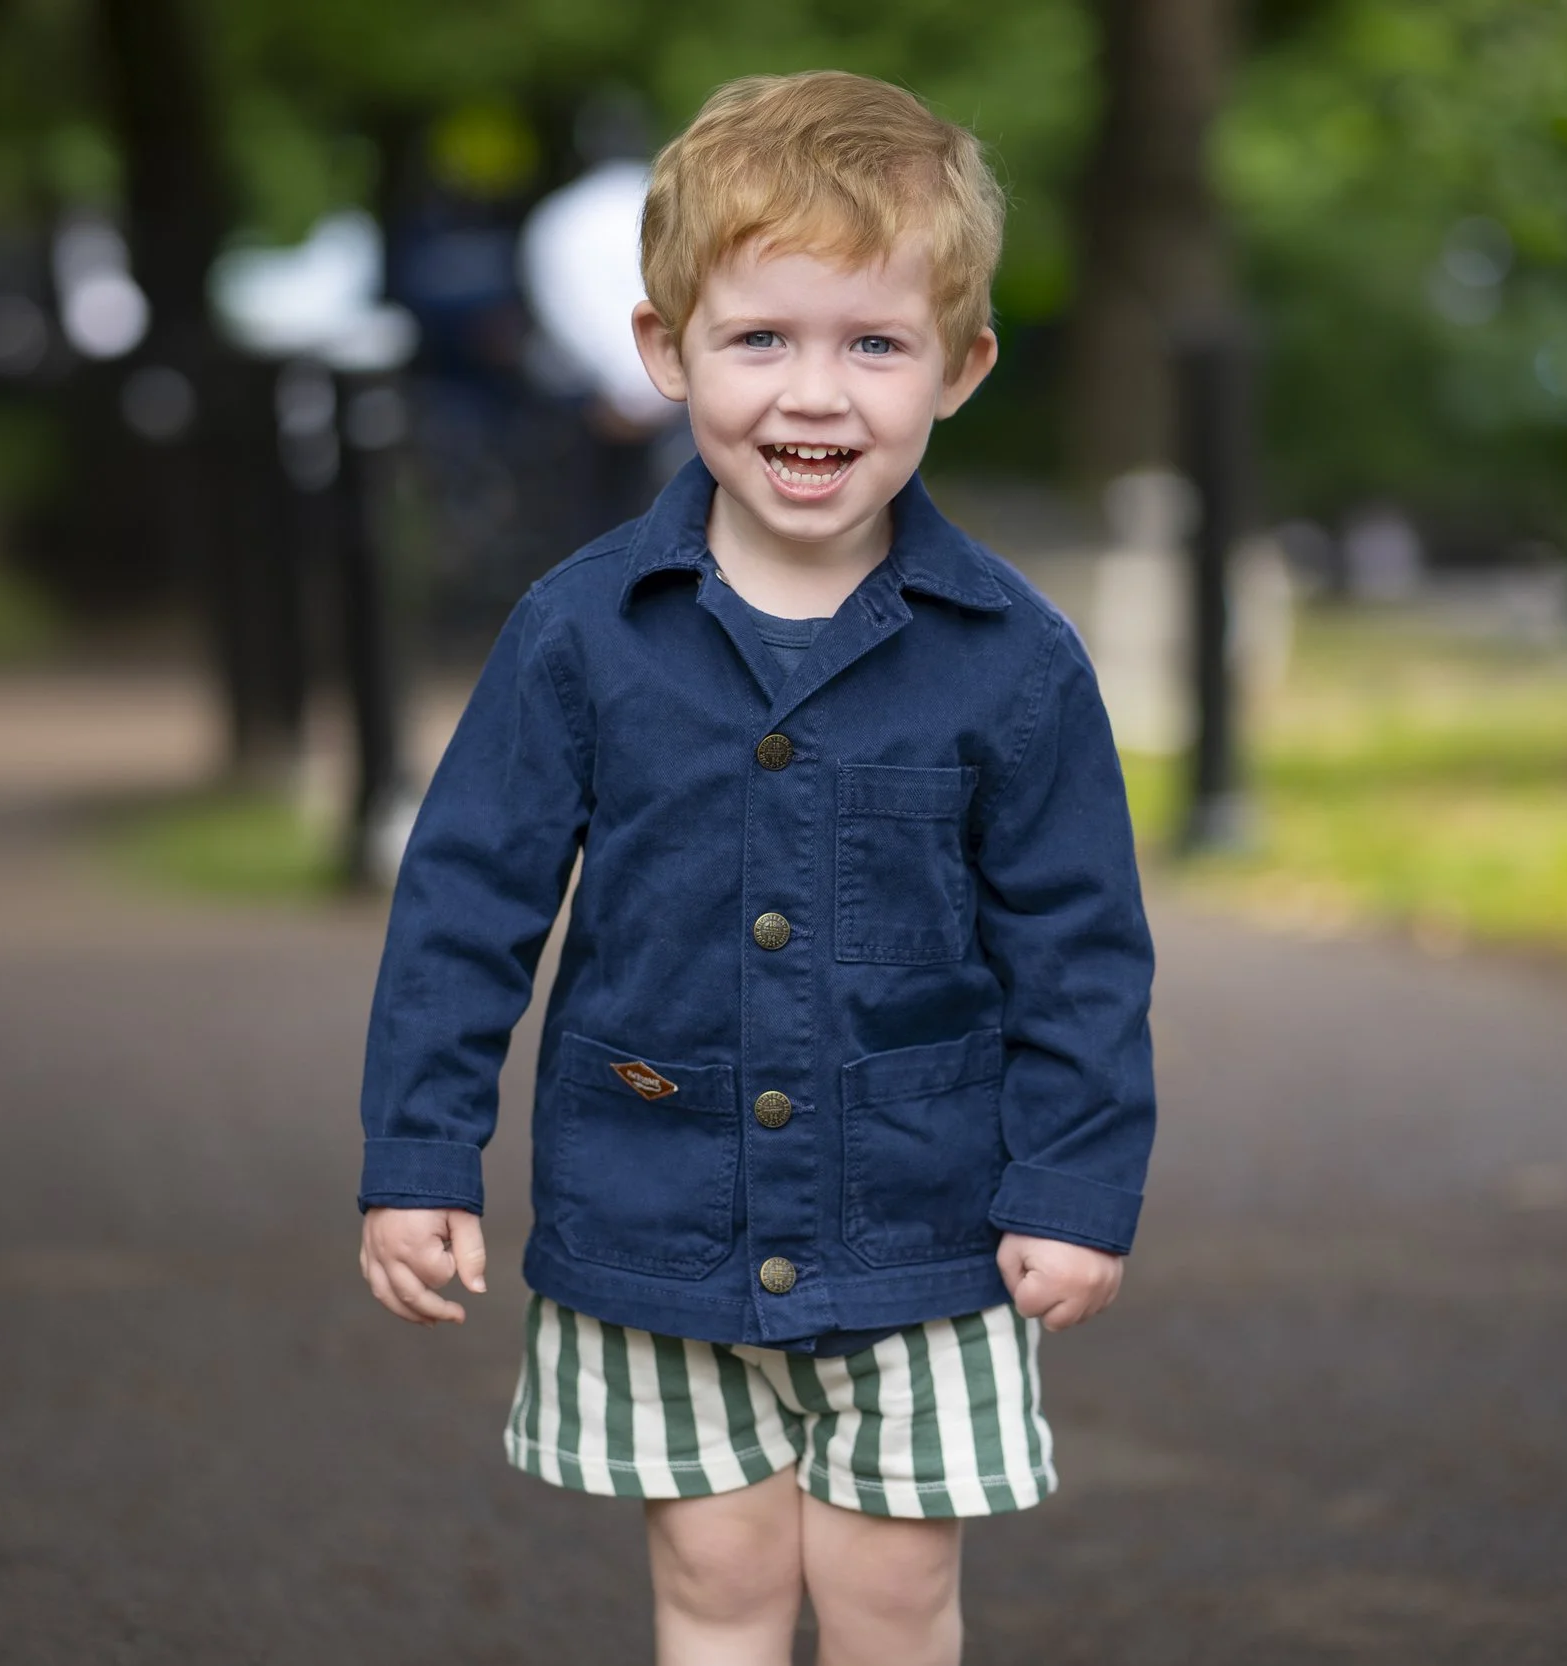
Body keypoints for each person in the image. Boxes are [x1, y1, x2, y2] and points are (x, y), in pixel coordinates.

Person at [356, 70, 1156, 1666]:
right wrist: (419, 1152)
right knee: (718, 1588)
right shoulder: (582, 633)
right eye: (760, 340)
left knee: (887, 1595)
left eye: (874, 343)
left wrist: (1076, 1186)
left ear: (961, 367)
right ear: (665, 353)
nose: (816, 395)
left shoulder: (1016, 659)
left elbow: (1080, 943)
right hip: (656, 1210)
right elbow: (466, 905)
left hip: (926, 1227)